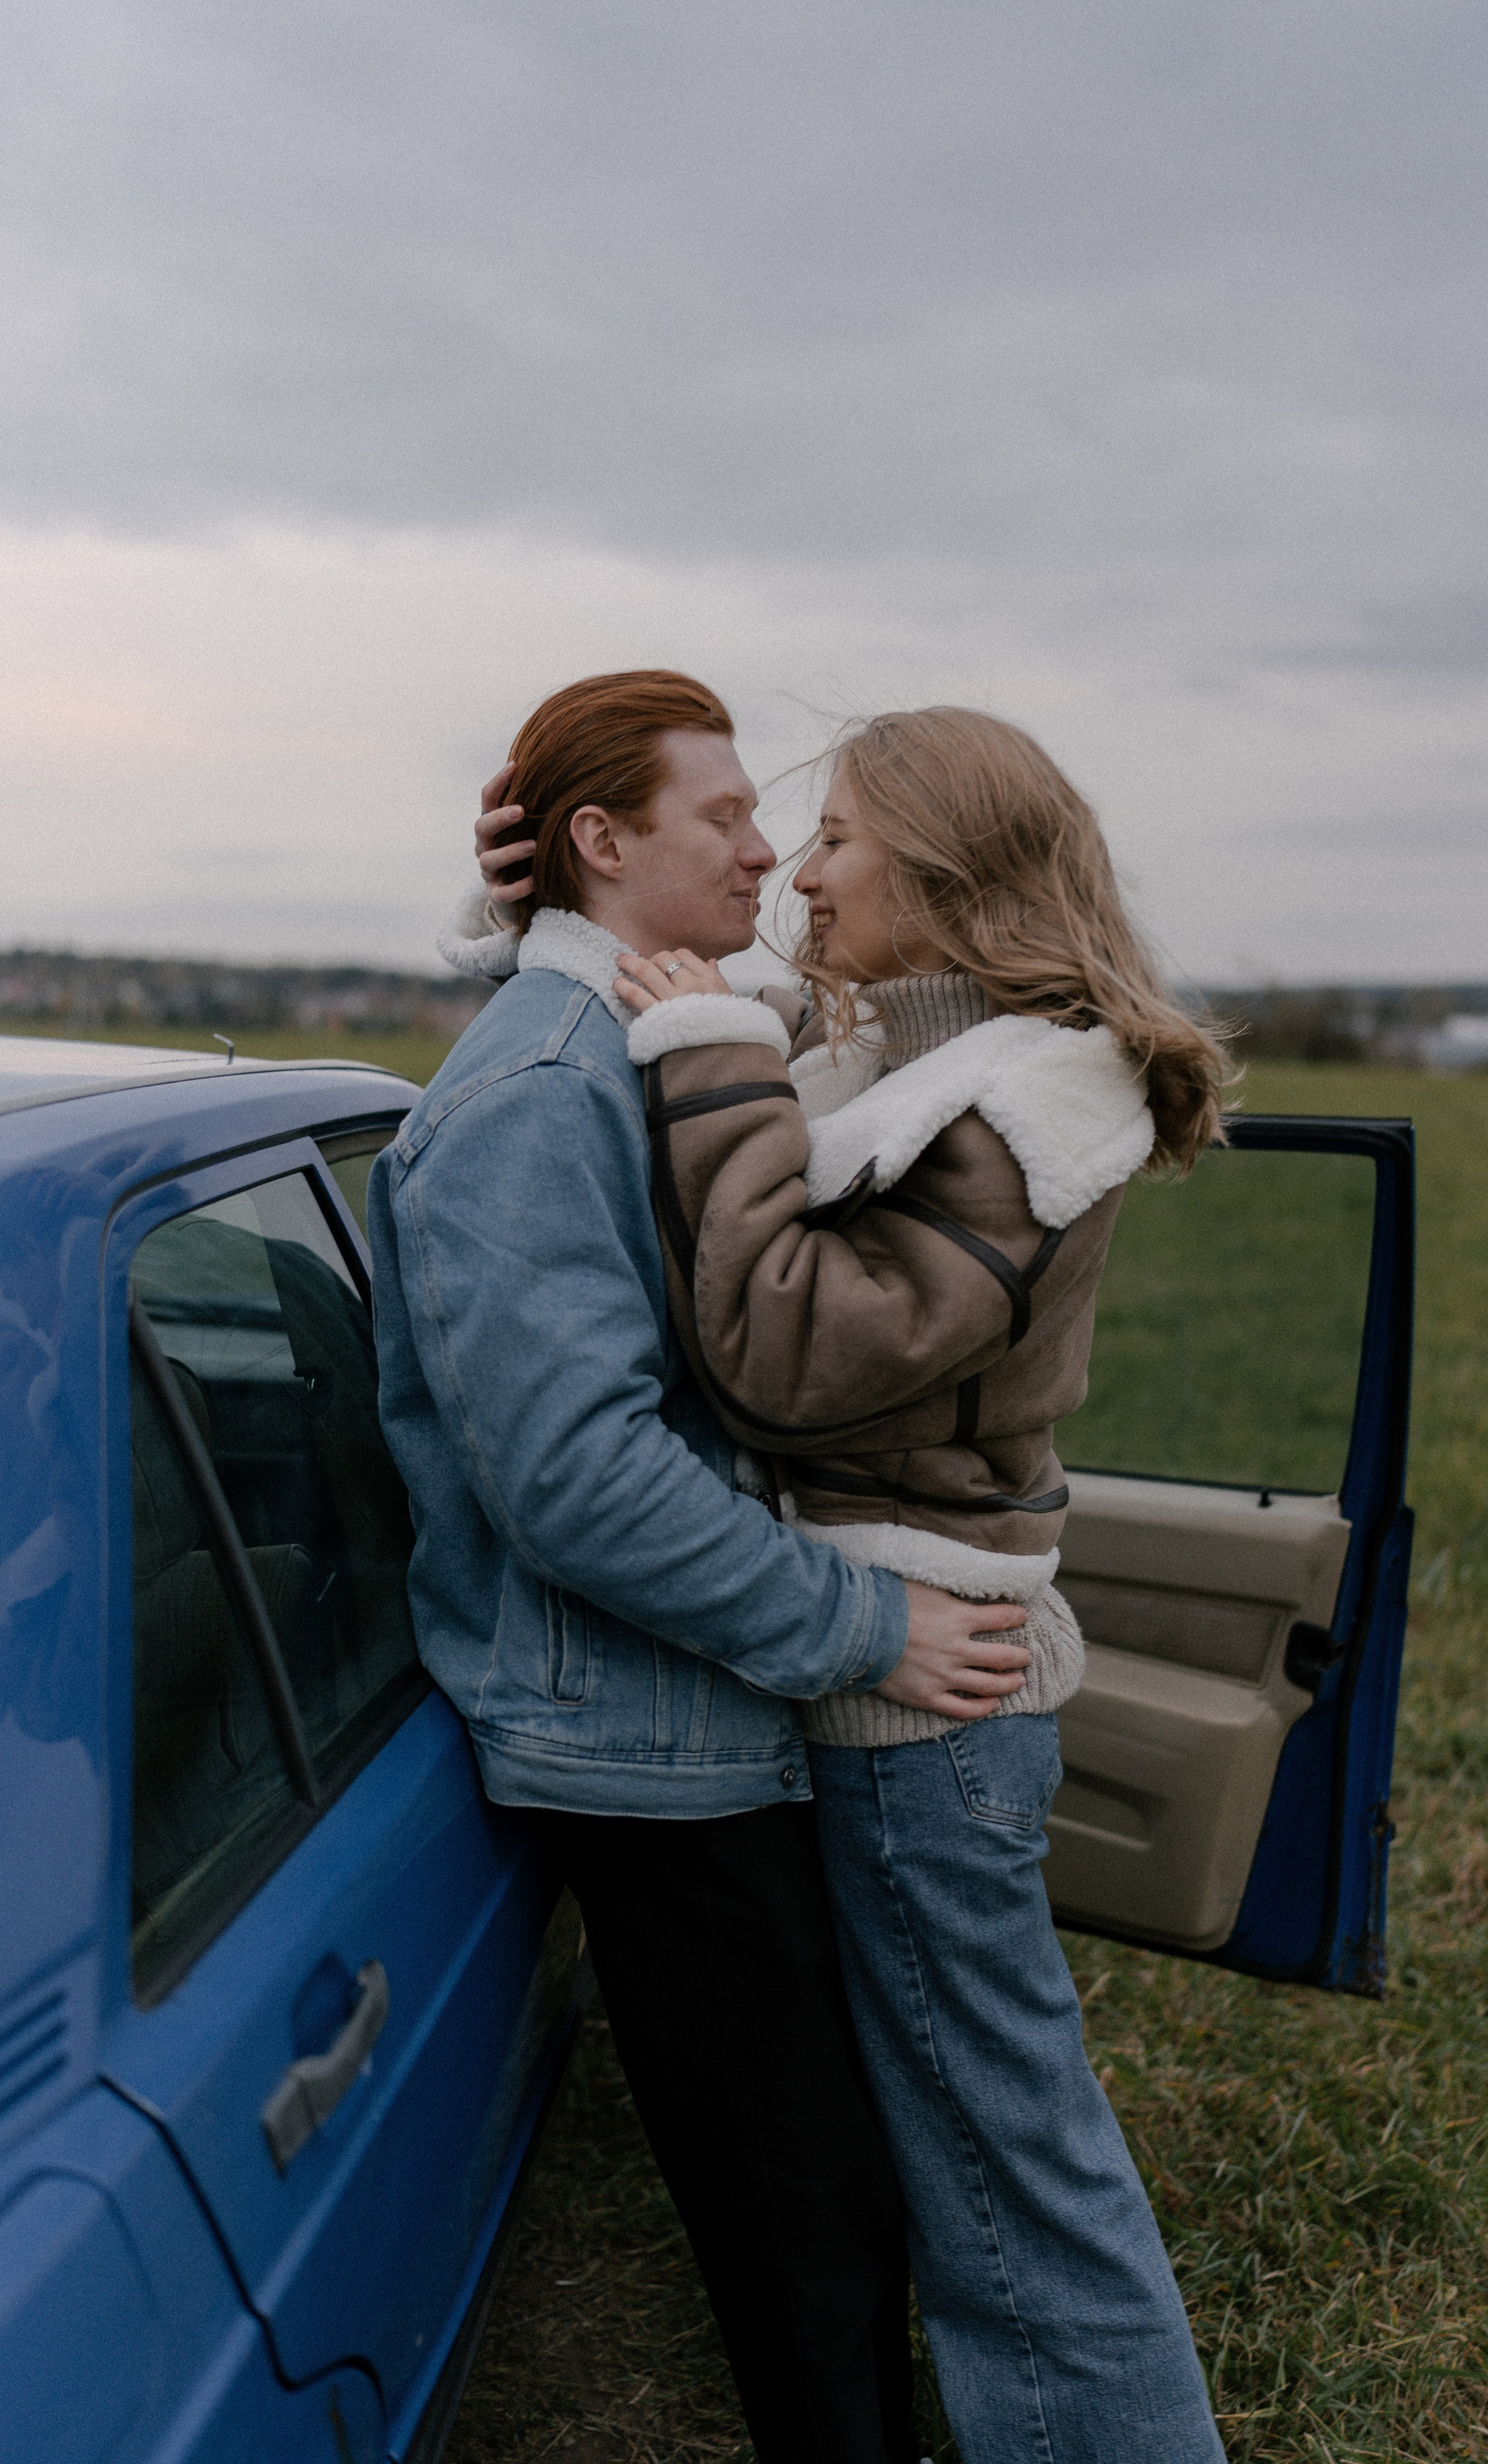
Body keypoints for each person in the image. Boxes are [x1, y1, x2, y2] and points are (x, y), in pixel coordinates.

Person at [370, 670, 1032, 2464]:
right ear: (603, 842)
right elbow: (579, 1478)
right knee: (803, 2238)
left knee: (835, 2194)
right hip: (651, 1752)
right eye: (727, 815)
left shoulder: (634, 1036)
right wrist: (865, 1626)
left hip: (704, 1712)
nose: (767, 845)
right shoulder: (532, 1093)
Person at [597, 706, 1233, 2462]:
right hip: (925, 1668)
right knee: (976, 2121)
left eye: (842, 840)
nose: (800, 871)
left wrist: (714, 1062)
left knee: (1002, 2154)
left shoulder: (1023, 1117)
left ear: (947, 878)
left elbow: (787, 1350)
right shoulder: (934, 1069)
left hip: (920, 1709)